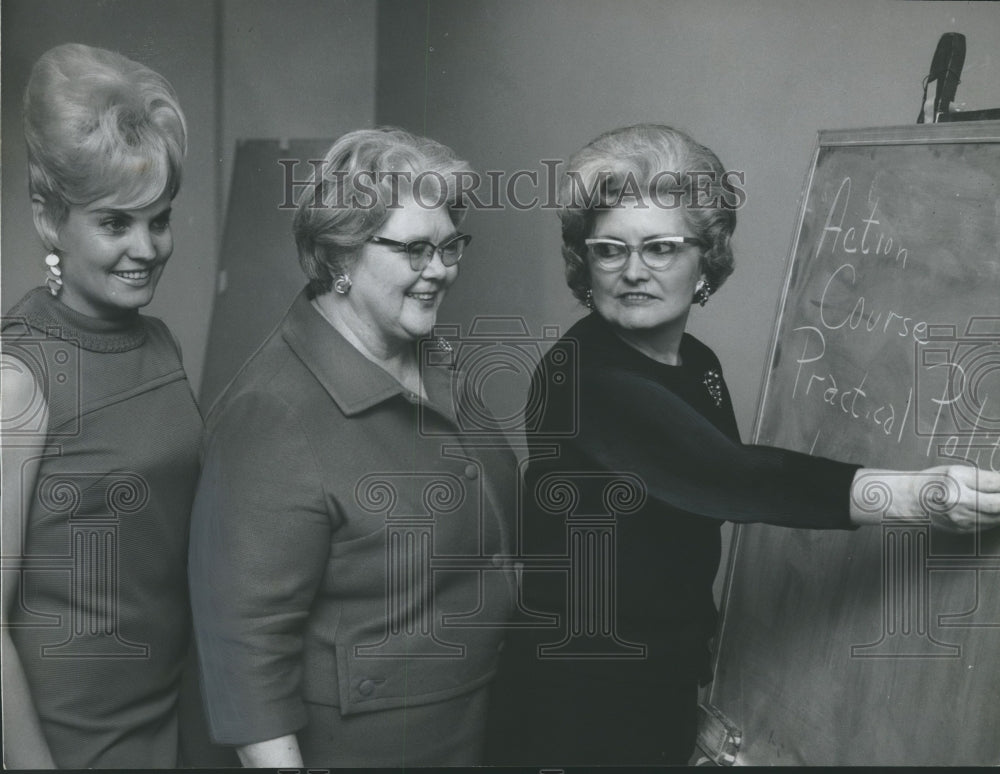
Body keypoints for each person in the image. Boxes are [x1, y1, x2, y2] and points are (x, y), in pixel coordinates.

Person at [484, 123, 1000, 766]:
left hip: (656, 678)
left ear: (706, 258)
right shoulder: (584, 374)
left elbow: (686, 522)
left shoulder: (695, 361)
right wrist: (917, 496)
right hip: (575, 698)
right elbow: (729, 477)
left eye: (662, 248)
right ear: (584, 264)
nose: (634, 272)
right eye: (609, 250)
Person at [188, 127, 517, 768]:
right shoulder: (269, 416)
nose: (441, 270)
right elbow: (242, 656)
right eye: (416, 250)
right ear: (339, 256)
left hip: (469, 726)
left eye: (451, 246)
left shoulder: (433, 360)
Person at [1, 43, 216, 769]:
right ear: (48, 218)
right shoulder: (17, 376)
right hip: (73, 739)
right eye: (115, 223)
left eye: (159, 220)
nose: (147, 248)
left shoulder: (158, 343)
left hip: (176, 708)